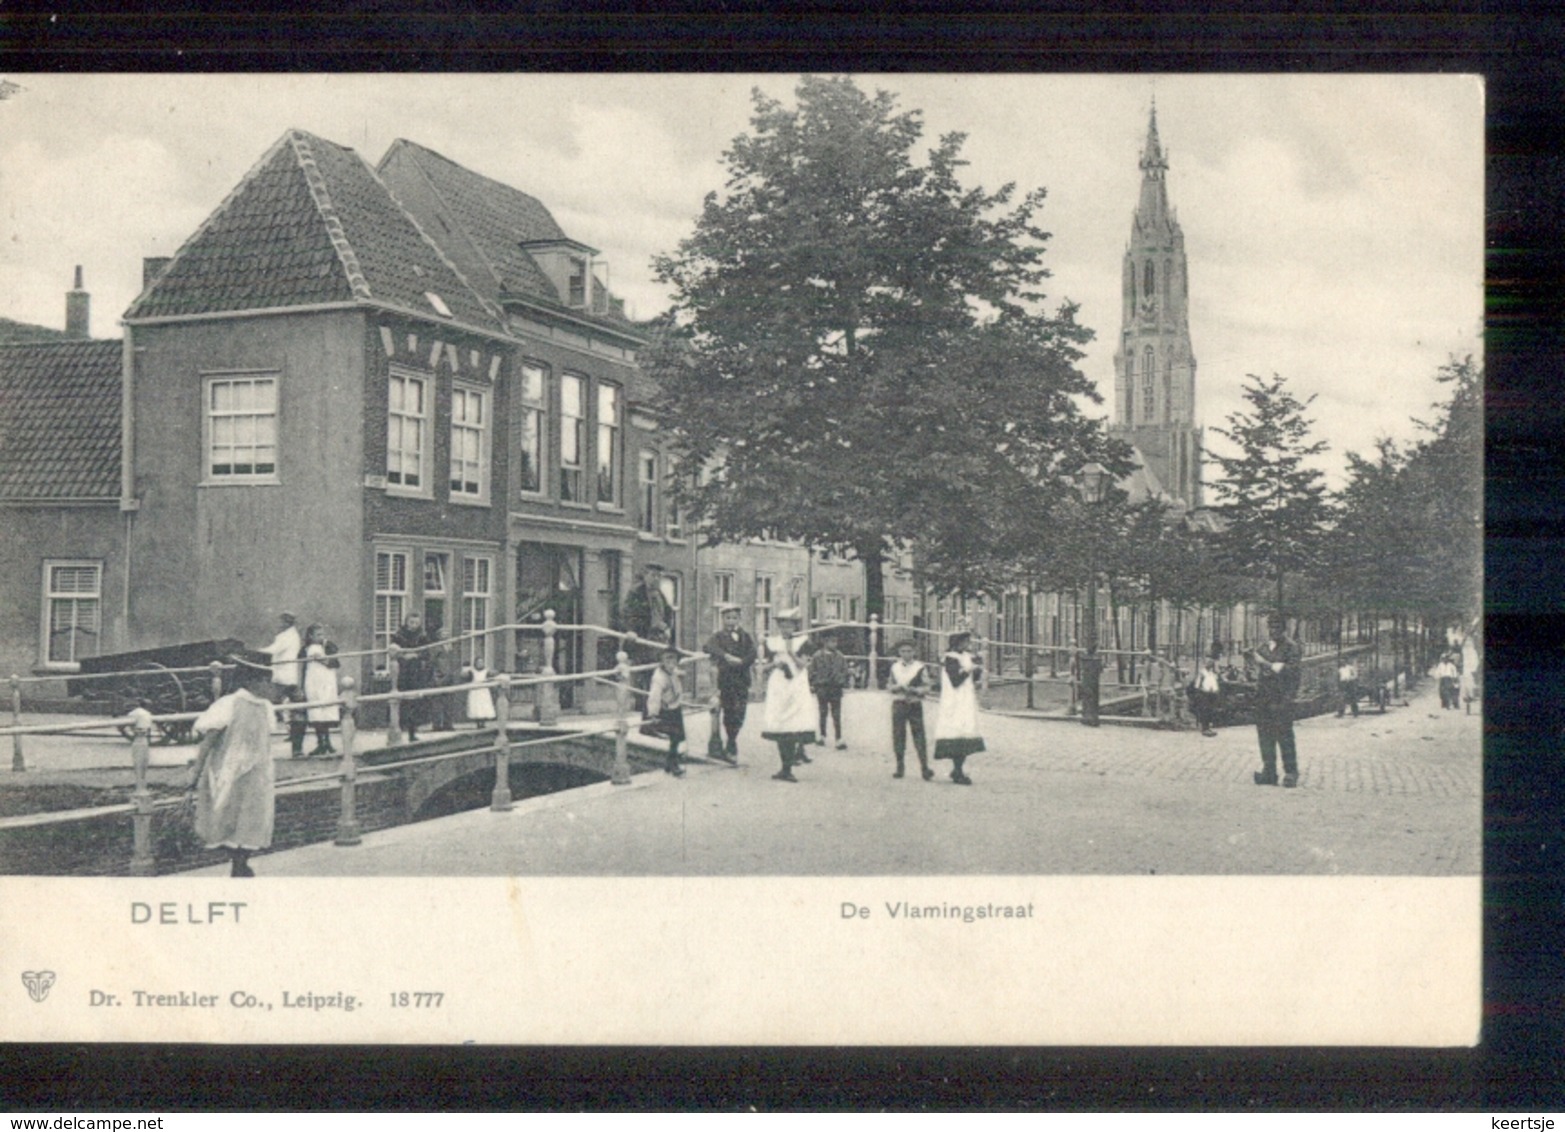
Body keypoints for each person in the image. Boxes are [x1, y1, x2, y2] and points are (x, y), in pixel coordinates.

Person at [187, 654, 276, 877]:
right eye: (266, 681)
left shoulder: (266, 708)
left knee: (252, 817)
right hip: (229, 771)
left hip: (256, 772)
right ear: (252, 681)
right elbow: (209, 740)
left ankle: (241, 862)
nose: (269, 686)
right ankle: (236, 861)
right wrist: (196, 771)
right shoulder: (229, 704)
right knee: (226, 816)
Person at [760, 608, 817, 782]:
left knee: (794, 722)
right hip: (779, 685)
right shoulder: (772, 642)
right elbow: (764, 666)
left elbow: (803, 665)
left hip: (796, 685)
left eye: (790, 626)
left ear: (795, 626)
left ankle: (789, 766)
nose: (786, 629)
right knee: (780, 724)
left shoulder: (802, 641)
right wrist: (774, 664)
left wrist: (791, 652)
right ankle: (784, 767)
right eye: (783, 626)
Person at [1248, 613, 1303, 788]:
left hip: (1282, 698)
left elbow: (1292, 671)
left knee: (1285, 736)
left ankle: (1291, 772)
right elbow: (1260, 672)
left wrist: (1265, 664)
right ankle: (1269, 771)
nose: (1273, 631)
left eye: (1277, 627)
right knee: (1265, 736)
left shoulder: (1291, 648)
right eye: (1271, 627)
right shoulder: (1263, 648)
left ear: (1283, 629)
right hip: (1264, 698)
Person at [704, 603, 757, 764]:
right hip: (726, 680)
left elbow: (753, 653)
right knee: (729, 711)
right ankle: (731, 744)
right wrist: (726, 656)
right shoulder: (718, 636)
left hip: (742, 679)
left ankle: (733, 738)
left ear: (739, 619)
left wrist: (741, 661)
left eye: (734, 618)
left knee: (740, 711)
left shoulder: (745, 636)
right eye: (727, 618)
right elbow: (707, 647)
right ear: (722, 619)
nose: (731, 621)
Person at [933, 631, 985, 785]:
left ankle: (958, 769)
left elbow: (972, 678)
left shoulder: (966, 656)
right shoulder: (951, 658)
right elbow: (955, 680)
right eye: (964, 642)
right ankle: (957, 770)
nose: (967, 645)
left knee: (965, 730)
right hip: (954, 700)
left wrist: (977, 670)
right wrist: (969, 670)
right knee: (956, 730)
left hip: (965, 699)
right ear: (956, 643)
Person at [623, 563, 674, 713]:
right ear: (645, 576)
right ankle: (645, 714)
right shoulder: (636, 592)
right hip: (643, 640)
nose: (656, 579)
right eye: (653, 575)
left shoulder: (660, 594)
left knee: (658, 678)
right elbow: (626, 614)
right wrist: (631, 630)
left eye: (659, 576)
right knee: (644, 677)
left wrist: (667, 627)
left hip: (658, 640)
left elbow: (667, 613)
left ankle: (654, 715)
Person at [887, 639, 934, 781]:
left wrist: (915, 690)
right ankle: (899, 766)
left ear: (914, 652)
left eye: (909, 651)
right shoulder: (895, 667)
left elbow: (927, 687)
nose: (906, 654)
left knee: (919, 735)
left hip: (914, 704)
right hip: (899, 703)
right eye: (903, 651)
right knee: (898, 735)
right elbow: (889, 685)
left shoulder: (920, 667)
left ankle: (924, 767)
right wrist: (895, 688)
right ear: (899, 652)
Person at [261, 611, 307, 758]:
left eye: (281, 622)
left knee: (265, 707)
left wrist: (254, 652)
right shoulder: (293, 636)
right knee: (296, 709)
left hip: (281, 678)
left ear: (287, 623)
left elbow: (272, 650)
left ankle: (263, 749)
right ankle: (297, 748)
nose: (278, 624)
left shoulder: (285, 637)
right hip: (289, 677)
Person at [646, 647, 688, 777]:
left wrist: (680, 673)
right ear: (662, 661)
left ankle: (669, 763)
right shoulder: (659, 677)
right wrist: (653, 713)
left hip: (675, 706)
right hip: (665, 709)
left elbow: (674, 674)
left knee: (678, 737)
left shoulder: (672, 672)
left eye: (673, 659)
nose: (671, 663)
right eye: (667, 659)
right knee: (674, 735)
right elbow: (654, 696)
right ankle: (674, 764)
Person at [391, 612, 432, 742]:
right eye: (411, 622)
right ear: (406, 622)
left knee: (415, 701)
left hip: (416, 671)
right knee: (401, 700)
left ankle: (412, 732)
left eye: (416, 623)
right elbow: (393, 651)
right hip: (402, 671)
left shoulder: (422, 636)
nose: (413, 625)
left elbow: (427, 653)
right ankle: (397, 730)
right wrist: (403, 655)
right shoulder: (399, 635)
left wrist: (416, 656)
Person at [301, 623, 340, 756]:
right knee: (317, 711)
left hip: (326, 681)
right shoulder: (308, 648)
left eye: (322, 634)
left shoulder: (326, 646)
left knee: (326, 710)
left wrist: (325, 649)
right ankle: (321, 742)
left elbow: (334, 660)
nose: (321, 637)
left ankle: (327, 742)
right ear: (310, 636)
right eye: (318, 635)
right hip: (314, 682)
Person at [808, 631, 850, 749]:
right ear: (825, 642)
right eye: (832, 641)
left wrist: (842, 680)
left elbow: (845, 670)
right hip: (822, 687)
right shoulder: (817, 656)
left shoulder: (840, 656)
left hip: (835, 687)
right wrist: (813, 683)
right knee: (823, 712)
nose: (834, 644)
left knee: (836, 713)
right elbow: (812, 671)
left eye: (836, 641)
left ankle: (838, 738)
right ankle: (822, 735)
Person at [428, 626, 456, 731]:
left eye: (447, 634)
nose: (446, 636)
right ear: (438, 636)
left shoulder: (451, 646)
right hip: (439, 676)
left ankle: (448, 724)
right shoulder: (435, 647)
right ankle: (436, 725)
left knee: (449, 701)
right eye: (443, 634)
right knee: (437, 702)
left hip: (450, 676)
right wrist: (436, 675)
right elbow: (432, 662)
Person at [1189, 655, 1222, 737]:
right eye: (1208, 663)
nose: (1210, 664)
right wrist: (1200, 693)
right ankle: (1204, 728)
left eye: (1211, 663)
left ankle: (1209, 727)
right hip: (1204, 694)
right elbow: (1197, 685)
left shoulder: (1212, 673)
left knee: (1211, 711)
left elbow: (1215, 682)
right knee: (1205, 711)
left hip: (1212, 694)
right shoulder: (1202, 672)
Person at [463, 651, 497, 729]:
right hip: (475, 691)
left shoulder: (486, 671)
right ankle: (478, 722)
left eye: (481, 662)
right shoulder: (472, 671)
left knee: (483, 706)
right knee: (476, 706)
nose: (480, 664)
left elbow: (492, 675)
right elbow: (465, 676)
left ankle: (483, 722)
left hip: (483, 690)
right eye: (478, 662)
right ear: (475, 663)